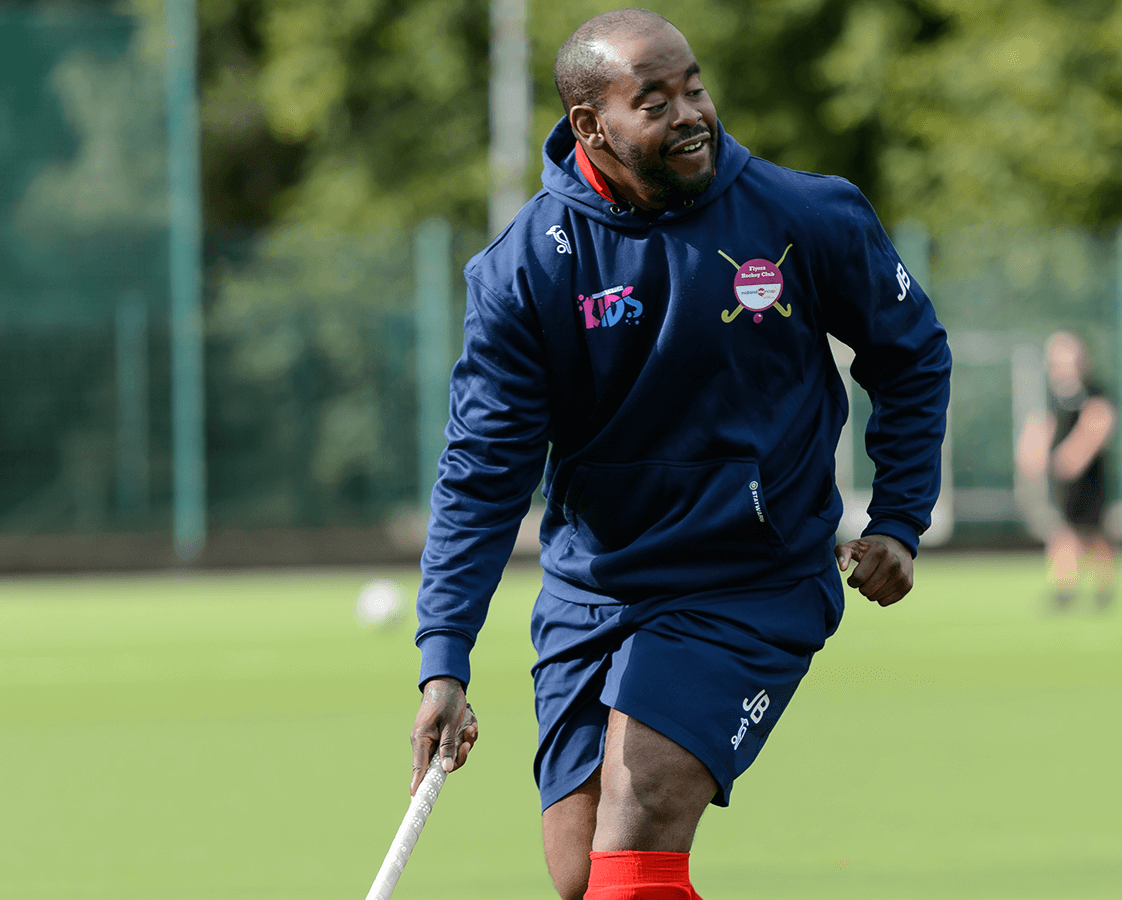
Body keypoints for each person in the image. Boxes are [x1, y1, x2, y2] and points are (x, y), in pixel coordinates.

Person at [406, 9, 951, 900]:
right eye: (653, 100)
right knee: (585, 877)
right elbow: (481, 473)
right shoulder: (524, 272)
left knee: (640, 814)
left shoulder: (804, 214)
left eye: (693, 84)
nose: (691, 111)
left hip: (751, 578)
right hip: (597, 590)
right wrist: (444, 658)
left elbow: (912, 354)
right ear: (591, 126)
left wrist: (899, 515)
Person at [1015, 330, 1117, 611]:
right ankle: (1064, 588)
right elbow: (1040, 428)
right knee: (1062, 531)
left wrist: (1072, 456)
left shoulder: (1094, 392)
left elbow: (1098, 422)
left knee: (1092, 533)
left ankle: (1105, 587)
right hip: (1059, 478)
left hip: (1088, 478)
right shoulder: (1052, 398)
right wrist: (1032, 457)